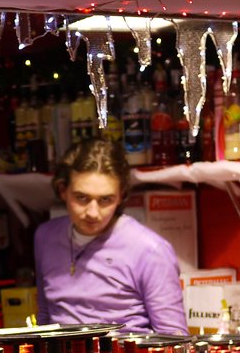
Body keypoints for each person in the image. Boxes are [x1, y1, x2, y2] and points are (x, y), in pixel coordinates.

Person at [34, 137, 187, 334]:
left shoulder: (149, 249)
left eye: (105, 200)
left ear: (121, 196)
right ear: (63, 190)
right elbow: (45, 320)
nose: (92, 212)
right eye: (82, 198)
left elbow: (174, 340)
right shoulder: (45, 237)